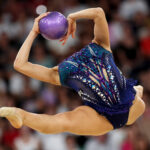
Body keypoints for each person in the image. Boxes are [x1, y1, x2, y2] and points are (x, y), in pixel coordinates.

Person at [0, 8, 145, 136]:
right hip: (130, 106)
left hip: (105, 117)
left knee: (62, 122)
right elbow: (98, 13)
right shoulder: (101, 46)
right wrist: (72, 17)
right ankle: (20, 115)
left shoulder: (63, 72)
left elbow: (19, 65)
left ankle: (21, 115)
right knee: (138, 91)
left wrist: (34, 32)